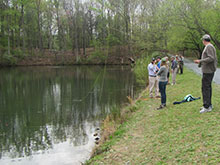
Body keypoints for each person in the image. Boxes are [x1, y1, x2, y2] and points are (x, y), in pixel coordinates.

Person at [194, 34, 218, 113]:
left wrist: (200, 61)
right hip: (208, 70)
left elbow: (211, 58)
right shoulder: (209, 46)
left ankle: (207, 106)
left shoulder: (209, 47)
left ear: (204, 40)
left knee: (205, 88)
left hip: (208, 71)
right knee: (207, 87)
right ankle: (208, 105)